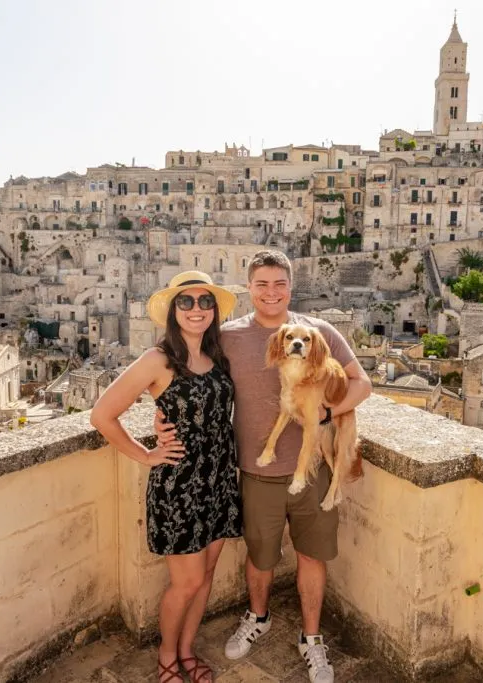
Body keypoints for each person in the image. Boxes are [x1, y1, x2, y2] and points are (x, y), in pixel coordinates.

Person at [157, 251, 371, 683]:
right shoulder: (230, 337)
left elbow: (362, 383)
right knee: (260, 557)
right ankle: (258, 617)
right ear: (249, 288)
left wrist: (328, 416)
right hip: (255, 471)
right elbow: (190, 376)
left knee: (313, 556)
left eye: (279, 284)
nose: (271, 292)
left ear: (290, 287)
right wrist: (160, 416)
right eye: (262, 284)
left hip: (313, 471)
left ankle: (311, 639)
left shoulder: (319, 332)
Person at [91, 271, 242, 683]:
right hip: (181, 487)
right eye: (186, 302)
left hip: (220, 480)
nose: (197, 309)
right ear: (173, 311)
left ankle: (187, 650)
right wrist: (147, 454)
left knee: (206, 576)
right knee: (186, 582)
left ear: (214, 310)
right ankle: (166, 659)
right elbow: (102, 415)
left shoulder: (218, 356)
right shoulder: (158, 360)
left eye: (204, 301)